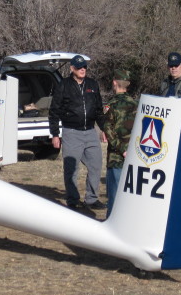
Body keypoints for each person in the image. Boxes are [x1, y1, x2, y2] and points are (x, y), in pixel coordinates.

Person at [49, 54, 106, 209]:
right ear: (72, 68)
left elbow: (99, 110)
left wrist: (104, 129)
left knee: (95, 165)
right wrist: (55, 134)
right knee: (71, 170)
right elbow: (54, 111)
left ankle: (91, 199)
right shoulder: (64, 85)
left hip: (90, 131)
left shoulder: (92, 84)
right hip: (71, 132)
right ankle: (73, 200)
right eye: (79, 67)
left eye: (84, 67)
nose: (82, 69)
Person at [103, 69, 138, 217]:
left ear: (114, 83)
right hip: (133, 157)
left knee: (114, 195)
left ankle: (111, 223)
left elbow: (108, 131)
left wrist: (122, 149)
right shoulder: (136, 105)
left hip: (116, 158)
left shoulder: (111, 105)